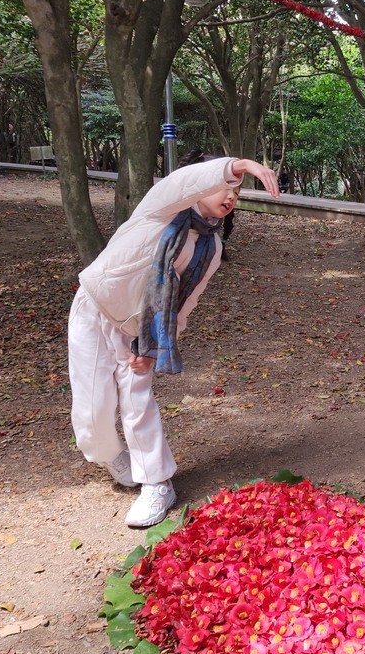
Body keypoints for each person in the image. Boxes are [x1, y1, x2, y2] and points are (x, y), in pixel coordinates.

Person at [68, 156, 280, 528]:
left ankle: (156, 483)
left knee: (138, 403)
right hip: (95, 309)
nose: (230, 196)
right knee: (92, 411)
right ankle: (111, 456)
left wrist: (155, 347)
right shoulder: (162, 208)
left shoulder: (211, 247)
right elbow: (184, 181)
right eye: (224, 188)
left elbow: (184, 302)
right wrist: (239, 165)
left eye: (237, 193)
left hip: (142, 330)